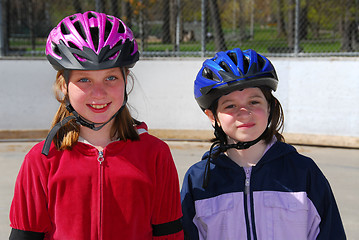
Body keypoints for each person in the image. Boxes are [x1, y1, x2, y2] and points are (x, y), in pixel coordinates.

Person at [9, 11, 184, 240]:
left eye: (110, 78)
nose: (99, 93)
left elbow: (170, 235)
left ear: (126, 80)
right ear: (64, 85)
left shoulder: (155, 155)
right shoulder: (42, 160)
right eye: (84, 79)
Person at [180, 48, 346, 240]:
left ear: (270, 107)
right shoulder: (199, 180)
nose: (244, 112)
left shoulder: (304, 172)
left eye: (254, 101)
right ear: (212, 116)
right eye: (230, 105)